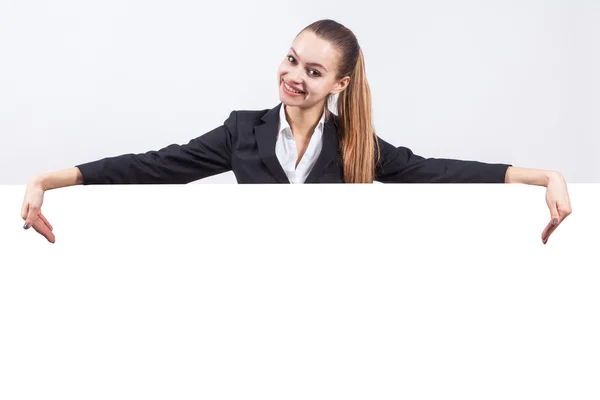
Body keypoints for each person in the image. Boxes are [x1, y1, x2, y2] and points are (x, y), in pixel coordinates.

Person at [20, 19, 572, 245]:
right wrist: (53, 179)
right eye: (291, 60)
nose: (293, 77)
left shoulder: (357, 146)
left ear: (339, 84)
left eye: (313, 71)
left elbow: (438, 173)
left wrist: (541, 176)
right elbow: (153, 166)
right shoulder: (241, 132)